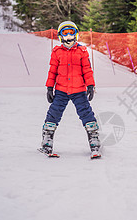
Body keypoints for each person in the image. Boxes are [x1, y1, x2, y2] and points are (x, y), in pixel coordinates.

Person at [39, 21, 101, 159]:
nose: (68, 36)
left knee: (86, 113)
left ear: (76, 35)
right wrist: (49, 88)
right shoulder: (57, 52)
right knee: (54, 113)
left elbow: (87, 70)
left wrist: (90, 85)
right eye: (65, 33)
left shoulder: (82, 51)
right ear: (61, 36)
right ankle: (47, 141)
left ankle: (94, 140)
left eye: (71, 32)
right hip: (61, 90)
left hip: (79, 90)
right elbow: (52, 71)